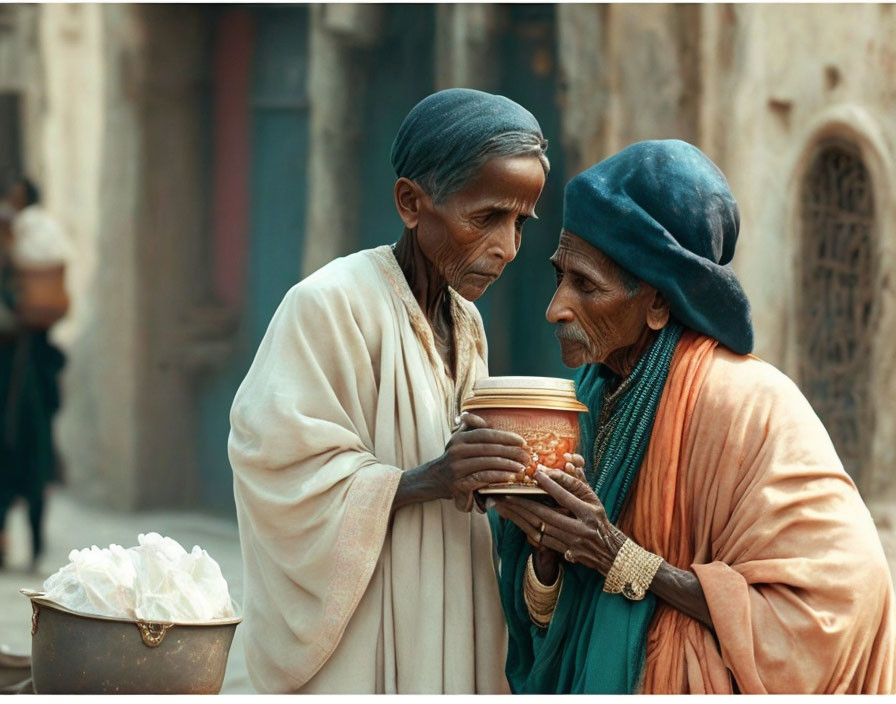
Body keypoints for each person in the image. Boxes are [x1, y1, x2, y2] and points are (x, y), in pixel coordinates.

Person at [488, 139, 895, 694]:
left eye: (586, 284)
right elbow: (552, 617)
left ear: (658, 304)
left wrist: (622, 558)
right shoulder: (584, 396)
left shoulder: (746, 401)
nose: (555, 307)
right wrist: (546, 550)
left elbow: (843, 600)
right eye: (561, 276)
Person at [228, 88, 551, 693]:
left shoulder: (469, 323)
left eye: (519, 223)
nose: (508, 247)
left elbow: (459, 467)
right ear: (411, 203)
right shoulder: (329, 304)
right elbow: (272, 463)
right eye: (487, 218)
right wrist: (426, 480)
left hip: (456, 599)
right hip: (364, 623)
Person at [0, 177, 70, 570]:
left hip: (27, 387)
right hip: (20, 384)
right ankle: (11, 542)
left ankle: (36, 545)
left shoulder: (25, 267)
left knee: (31, 461)